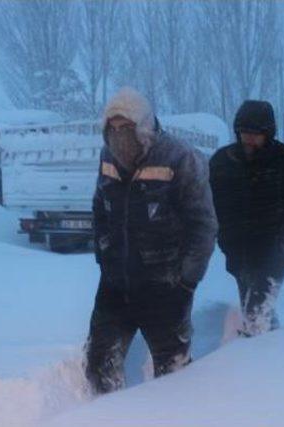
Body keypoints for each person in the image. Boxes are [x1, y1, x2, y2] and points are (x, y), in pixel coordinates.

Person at [85, 87, 218, 394]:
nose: (118, 135)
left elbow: (203, 225)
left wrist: (186, 280)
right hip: (116, 283)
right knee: (99, 363)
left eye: (126, 127)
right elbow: (99, 208)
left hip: (166, 285)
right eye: (112, 128)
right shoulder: (108, 156)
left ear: (142, 125)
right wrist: (104, 254)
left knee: (173, 375)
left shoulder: (181, 158)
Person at [209, 100, 284, 337]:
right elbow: (208, 204)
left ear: (268, 133)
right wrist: (222, 237)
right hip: (238, 252)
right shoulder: (222, 162)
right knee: (255, 310)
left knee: (256, 314)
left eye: (255, 134)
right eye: (243, 133)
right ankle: (275, 346)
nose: (248, 139)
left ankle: (261, 365)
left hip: (273, 253)